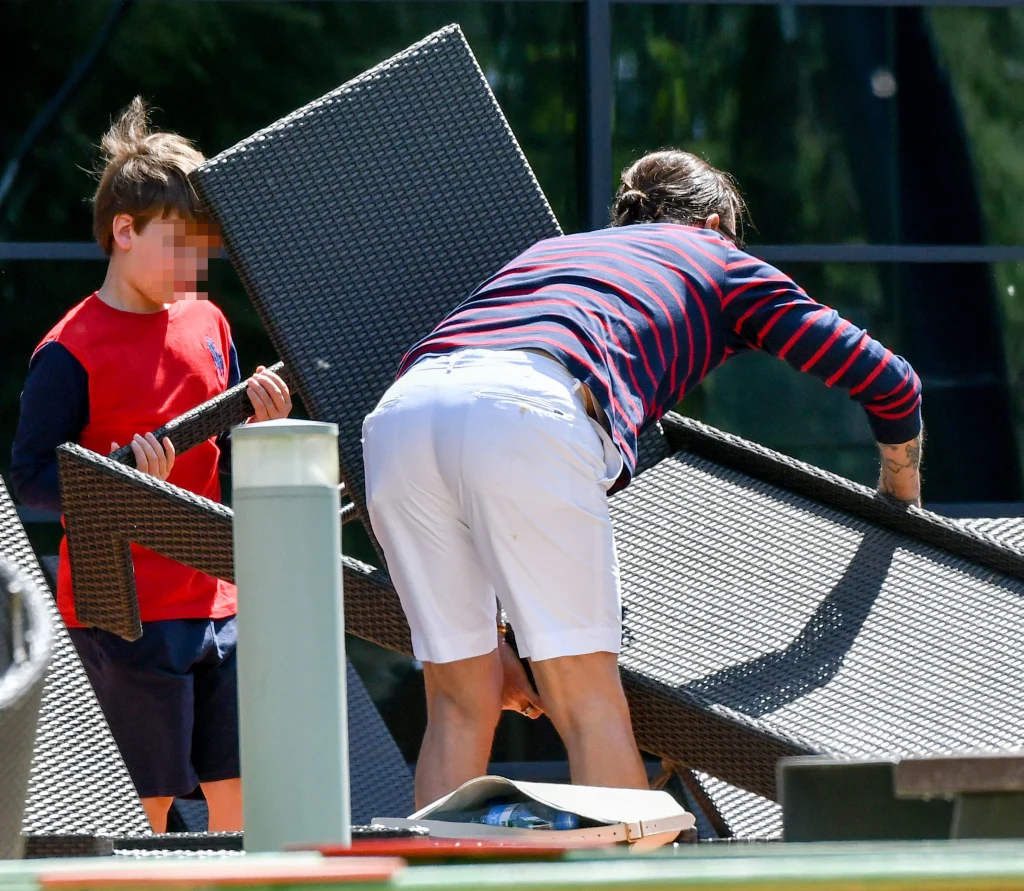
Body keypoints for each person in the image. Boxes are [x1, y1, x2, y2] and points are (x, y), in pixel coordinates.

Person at [362, 149, 923, 808]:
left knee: (458, 705)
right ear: (713, 222)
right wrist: (900, 495)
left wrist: (495, 639)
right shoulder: (717, 257)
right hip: (530, 405)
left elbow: (475, 433)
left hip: (401, 414)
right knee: (590, 705)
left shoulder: (557, 251)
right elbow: (889, 381)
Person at [10, 98, 292, 832]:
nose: (194, 266)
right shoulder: (67, 351)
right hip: (122, 618)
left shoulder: (211, 322)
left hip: (221, 604)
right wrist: (116, 477)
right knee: (144, 815)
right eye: (178, 245)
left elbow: (228, 460)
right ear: (123, 231)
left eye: (202, 249)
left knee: (241, 814)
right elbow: (31, 481)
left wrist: (263, 420)